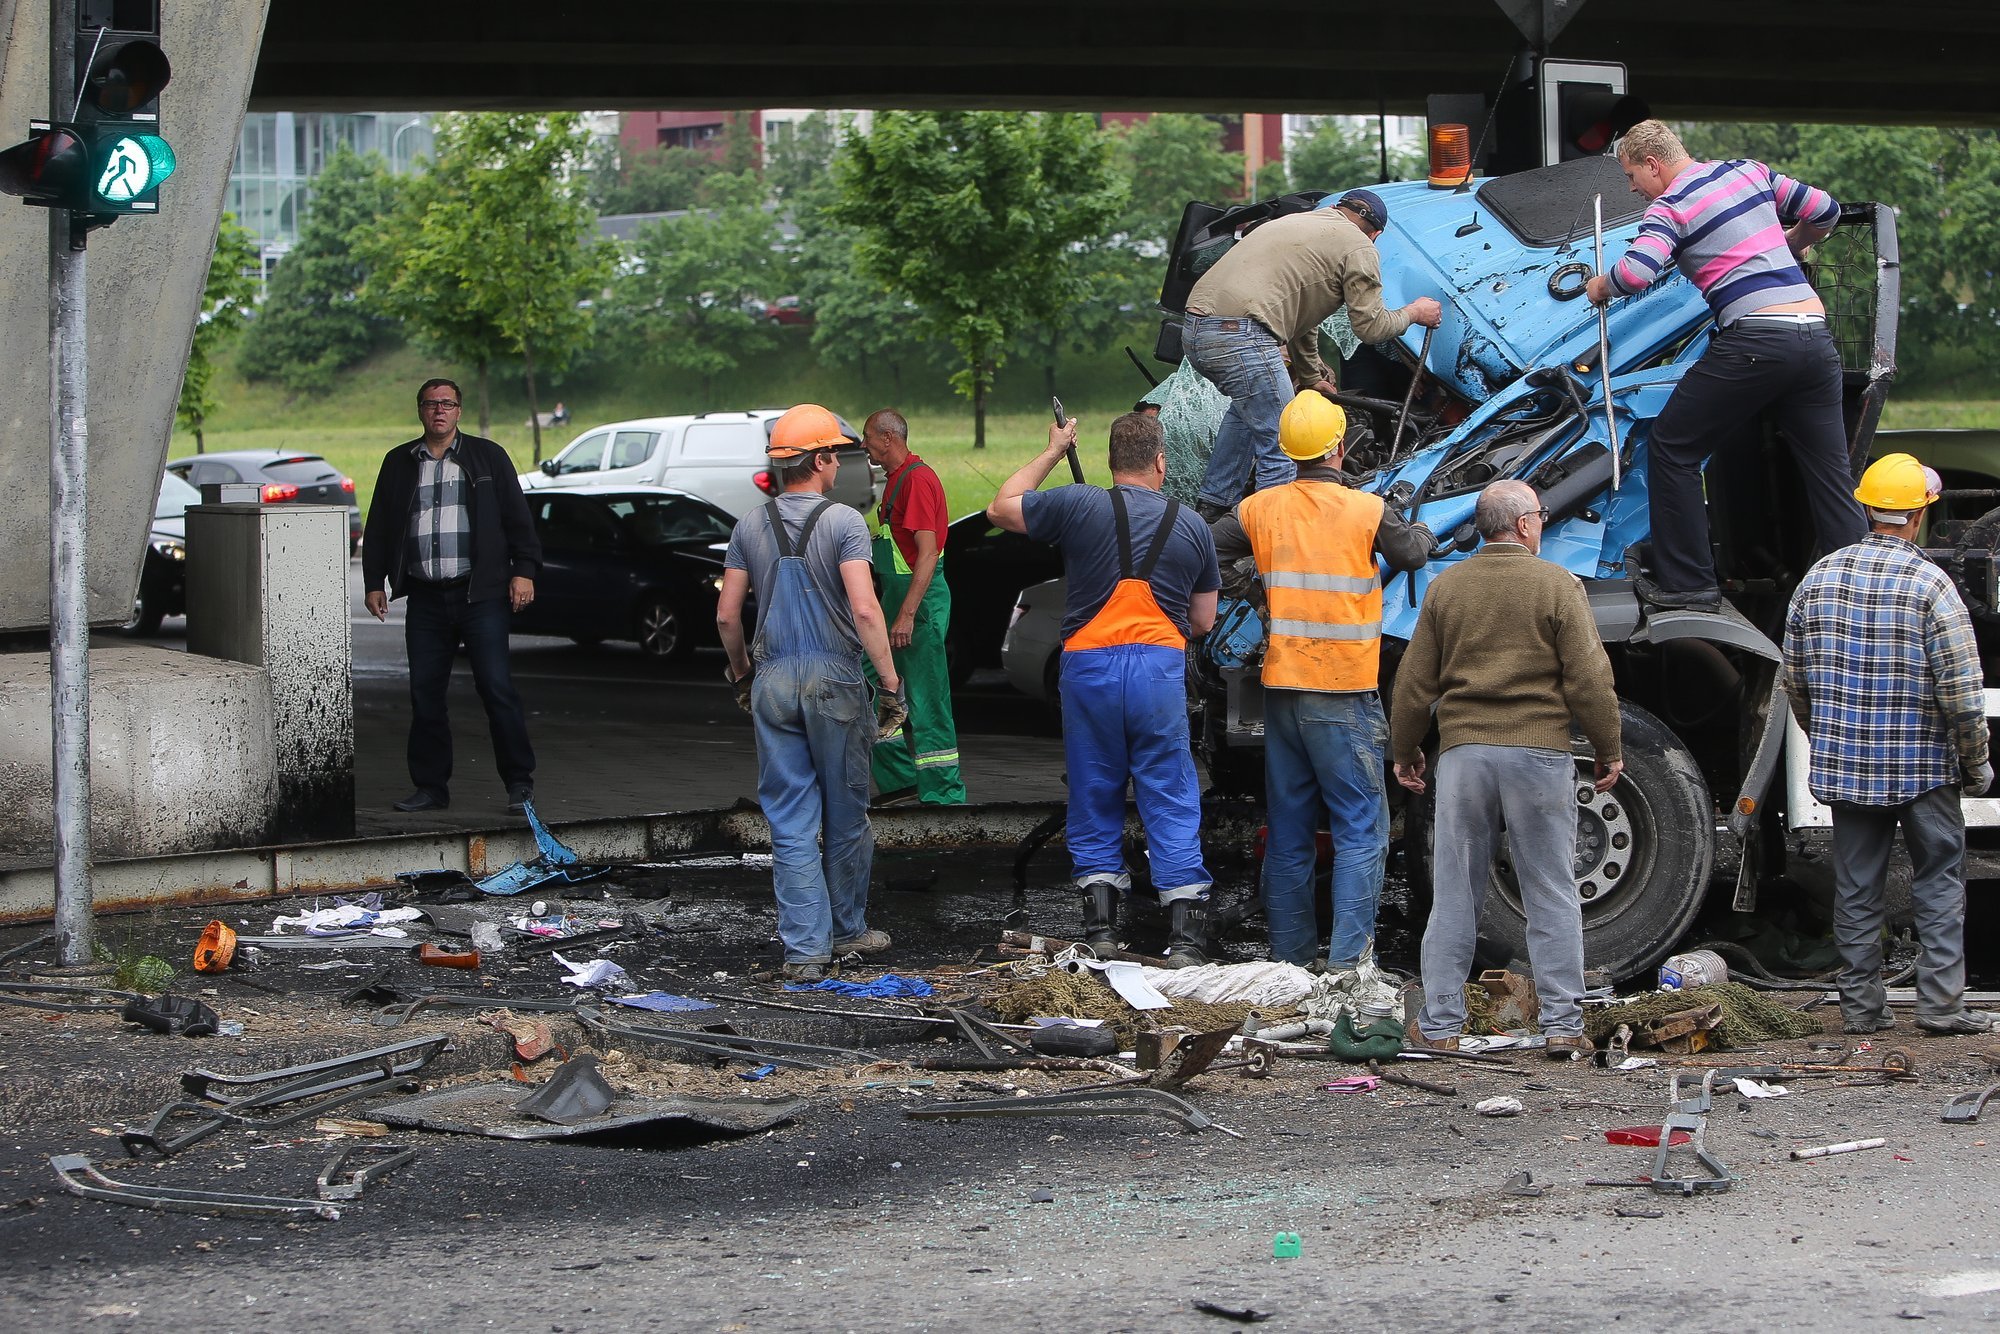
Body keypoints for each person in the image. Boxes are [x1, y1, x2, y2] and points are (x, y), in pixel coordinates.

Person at [1586, 120, 1866, 611]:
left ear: (1653, 164)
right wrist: (1794, 241)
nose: (1632, 188)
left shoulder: (1669, 207)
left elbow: (1635, 273)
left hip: (1756, 341)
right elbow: (1826, 210)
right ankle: (1864, 586)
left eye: (1631, 176)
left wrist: (1599, 286)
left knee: (1673, 445)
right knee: (1830, 474)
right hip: (1815, 338)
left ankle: (1689, 584)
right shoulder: (1747, 171)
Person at [1389, 481, 1623, 1059]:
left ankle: (1441, 1026)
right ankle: (1563, 1025)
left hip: (1464, 756)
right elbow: (1590, 677)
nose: (1541, 523)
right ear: (1523, 525)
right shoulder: (1557, 584)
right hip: (1538, 755)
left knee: (1455, 893)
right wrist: (1608, 745)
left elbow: (1414, 683)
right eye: (1539, 515)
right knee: (1550, 890)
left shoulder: (1447, 587)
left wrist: (1406, 748)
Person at [989, 412, 1222, 967]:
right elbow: (1204, 621)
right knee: (1169, 793)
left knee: (1095, 791)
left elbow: (1002, 506)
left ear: (1112, 462)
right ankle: (1185, 940)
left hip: (1088, 670)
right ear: (1161, 462)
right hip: (1158, 673)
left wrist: (1054, 450)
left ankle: (1101, 934)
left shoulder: (1079, 504)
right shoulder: (1191, 525)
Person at [1211, 391, 1432, 970]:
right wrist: (1423, 531)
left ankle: (1289, 966)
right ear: (1338, 448)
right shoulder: (1366, 510)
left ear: (1288, 451)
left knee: (1289, 831)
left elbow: (1206, 546)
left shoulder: (1259, 509)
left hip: (1283, 693)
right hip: (1342, 693)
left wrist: (1253, 586)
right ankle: (1348, 969)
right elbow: (1411, 554)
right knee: (1361, 829)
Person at [1780, 453, 1995, 1036]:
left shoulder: (1818, 579)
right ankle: (1941, 1006)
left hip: (1848, 769)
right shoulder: (1932, 586)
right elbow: (1961, 692)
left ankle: (1861, 1009)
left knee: (1856, 890)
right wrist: (1976, 761)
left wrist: (1828, 737)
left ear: (1867, 509)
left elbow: (1795, 678)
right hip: (1925, 769)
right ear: (1919, 515)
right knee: (1939, 881)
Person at [716, 404, 908, 984]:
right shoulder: (845, 522)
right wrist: (890, 683)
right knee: (846, 813)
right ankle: (847, 931)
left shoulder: (749, 526)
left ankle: (804, 952)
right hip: (835, 683)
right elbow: (865, 609)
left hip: (773, 681)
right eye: (836, 456)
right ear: (820, 460)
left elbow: (726, 616)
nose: (840, 465)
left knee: (791, 821)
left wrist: (743, 674)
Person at [1182, 188, 1444, 517]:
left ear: (1337, 208)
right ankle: (1272, 534)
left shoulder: (1296, 223)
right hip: (1242, 336)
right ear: (1375, 235)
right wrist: (1415, 312)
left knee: (1247, 415)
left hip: (1196, 331)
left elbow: (1302, 319)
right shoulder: (1359, 246)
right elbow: (1371, 328)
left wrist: (1309, 379)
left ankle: (1212, 509)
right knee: (1284, 442)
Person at [363, 378, 542, 816]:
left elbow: (518, 518)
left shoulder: (488, 457)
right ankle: (430, 788)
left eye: (447, 403)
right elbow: (380, 524)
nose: (439, 410)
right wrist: (373, 581)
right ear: (420, 411)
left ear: (459, 411)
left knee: (496, 688)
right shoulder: (399, 461)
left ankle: (519, 784)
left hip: (480, 595)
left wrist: (524, 570)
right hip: (425, 597)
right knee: (425, 694)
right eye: (431, 404)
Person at [861, 408, 966, 807]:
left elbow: (928, 553)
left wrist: (906, 614)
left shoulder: (918, 480)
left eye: (869, 436)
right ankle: (900, 782)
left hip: (916, 608)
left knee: (926, 699)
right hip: (899, 604)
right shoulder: (897, 481)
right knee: (874, 685)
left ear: (888, 438)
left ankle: (944, 794)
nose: (864, 444)